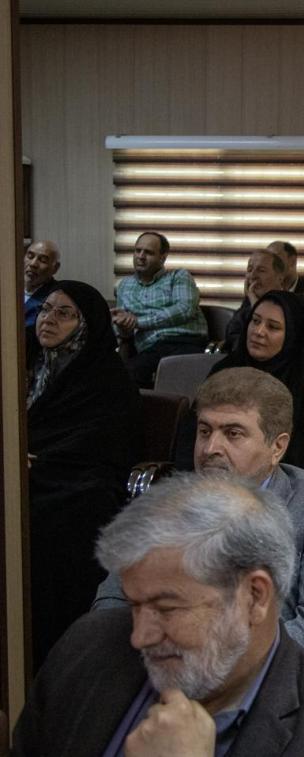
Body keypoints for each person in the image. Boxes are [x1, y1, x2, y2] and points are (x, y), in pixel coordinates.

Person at [16, 473, 304, 755]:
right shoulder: (87, 645)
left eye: (166, 609)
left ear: (254, 597)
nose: (139, 637)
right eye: (134, 604)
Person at [95, 367, 304, 677]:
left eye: (233, 434)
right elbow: (111, 600)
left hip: (288, 682)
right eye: (204, 431)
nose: (210, 449)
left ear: (277, 447)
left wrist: (200, 658)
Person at [26, 280, 143, 670]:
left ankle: (47, 649)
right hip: (30, 469)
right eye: (45, 309)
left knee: (56, 517)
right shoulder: (26, 363)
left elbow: (103, 444)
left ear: (87, 324)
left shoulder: (107, 378)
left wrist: (40, 462)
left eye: (64, 313)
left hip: (81, 480)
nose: (49, 319)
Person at [171, 290, 304, 476]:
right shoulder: (225, 370)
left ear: (292, 336)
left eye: (273, 327)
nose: (259, 331)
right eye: (255, 321)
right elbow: (191, 435)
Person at [112, 231, 209, 388]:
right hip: (148, 348)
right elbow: (126, 332)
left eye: (148, 252)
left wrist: (138, 322)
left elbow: (184, 310)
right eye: (137, 250)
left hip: (183, 341)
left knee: (137, 375)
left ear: (162, 258)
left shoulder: (178, 276)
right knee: (119, 376)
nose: (140, 256)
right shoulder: (124, 285)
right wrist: (122, 325)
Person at [220, 249, 288, 353]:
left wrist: (255, 305)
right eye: (250, 270)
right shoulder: (249, 301)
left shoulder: (289, 306)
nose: (253, 276)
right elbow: (232, 337)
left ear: (280, 279)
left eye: (261, 270)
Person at [22, 238, 60, 329]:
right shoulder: (9, 287)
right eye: (30, 256)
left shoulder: (56, 297)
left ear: (55, 268)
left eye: (43, 260)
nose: (33, 264)